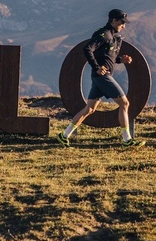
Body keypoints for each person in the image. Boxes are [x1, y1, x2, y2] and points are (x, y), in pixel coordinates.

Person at [58, 9, 141, 146]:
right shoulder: (104, 34)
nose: (123, 26)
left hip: (99, 77)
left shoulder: (113, 37)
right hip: (102, 76)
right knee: (124, 103)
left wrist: (121, 60)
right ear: (113, 20)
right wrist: (96, 67)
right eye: (121, 22)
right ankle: (127, 140)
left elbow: (107, 57)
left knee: (90, 109)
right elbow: (87, 49)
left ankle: (64, 135)